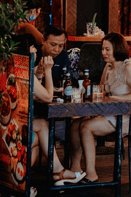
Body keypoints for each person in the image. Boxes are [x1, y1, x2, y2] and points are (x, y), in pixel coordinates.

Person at [67, 33, 131, 183]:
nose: (103, 53)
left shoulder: (129, 68)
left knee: (86, 127)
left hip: (129, 115)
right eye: (103, 49)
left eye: (107, 49)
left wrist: (116, 98)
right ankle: (75, 169)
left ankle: (91, 174)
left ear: (117, 49)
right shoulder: (109, 67)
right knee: (75, 124)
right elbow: (102, 90)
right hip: (112, 112)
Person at [28, 50, 85, 185]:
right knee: (38, 140)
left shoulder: (5, 67)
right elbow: (47, 97)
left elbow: (34, 92)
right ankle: (57, 173)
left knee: (41, 125)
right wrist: (48, 70)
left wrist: (39, 72)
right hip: (2, 130)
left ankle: (57, 172)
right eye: (33, 51)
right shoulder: (22, 70)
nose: (35, 54)